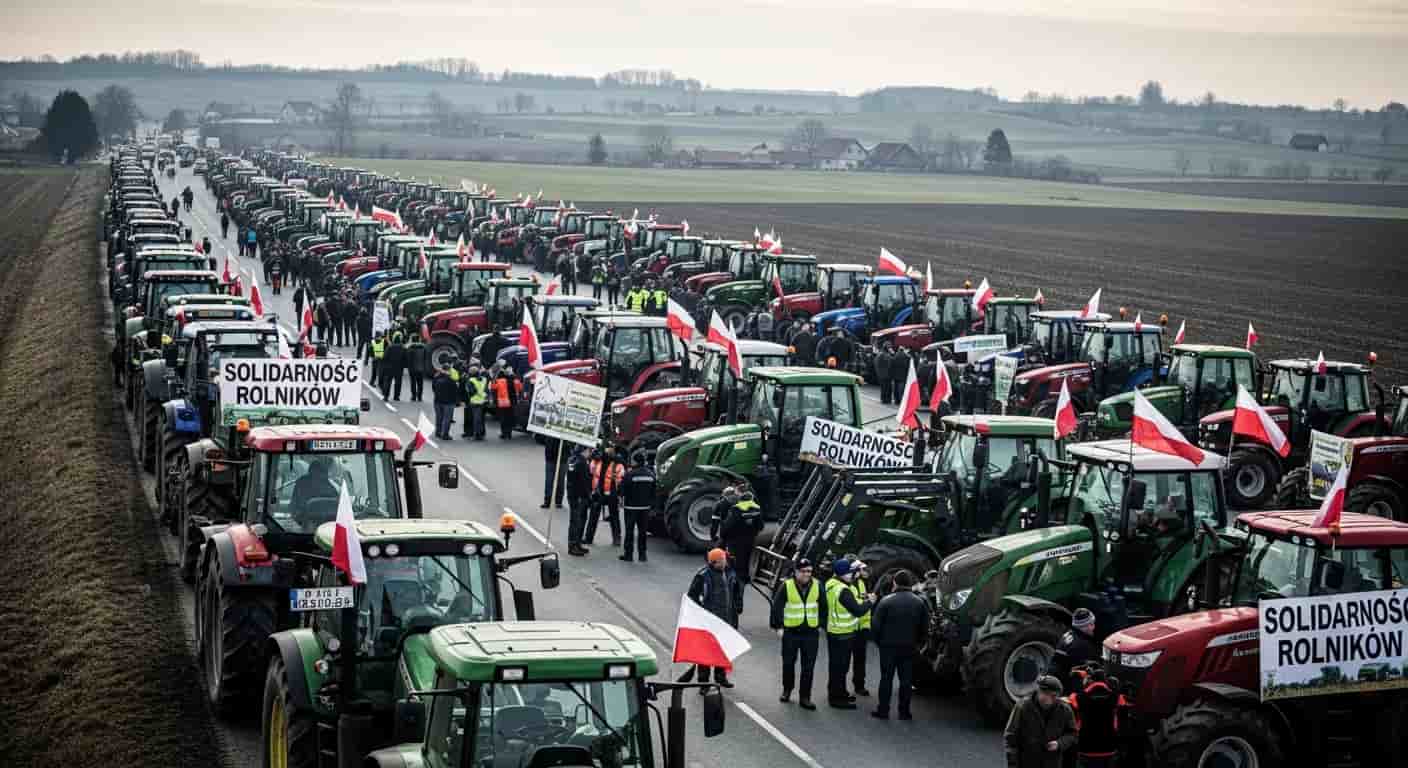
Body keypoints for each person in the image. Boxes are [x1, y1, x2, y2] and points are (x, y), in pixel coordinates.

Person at [869, 570, 930, 720]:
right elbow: (925, 628)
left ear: (895, 583)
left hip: (888, 646)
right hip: (909, 647)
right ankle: (904, 712)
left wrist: (880, 643)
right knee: (906, 681)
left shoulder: (886, 601)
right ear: (910, 584)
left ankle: (883, 710)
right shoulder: (919, 602)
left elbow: (875, 626)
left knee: (886, 679)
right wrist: (918, 644)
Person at [770, 558, 825, 710]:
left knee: (808, 667)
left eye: (809, 571)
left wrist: (820, 624)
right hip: (791, 632)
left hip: (810, 633)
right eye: (803, 571)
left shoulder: (817, 585)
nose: (807, 574)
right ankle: (787, 690)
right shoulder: (786, 586)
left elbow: (824, 607)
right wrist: (778, 627)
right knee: (788, 663)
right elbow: (777, 607)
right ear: (796, 572)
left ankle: (805, 697)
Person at [685, 549, 743, 686]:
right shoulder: (703, 576)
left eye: (724, 559)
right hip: (709, 621)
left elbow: (736, 592)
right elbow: (692, 596)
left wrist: (738, 606)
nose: (724, 563)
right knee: (705, 652)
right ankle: (703, 682)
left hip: (726, 619)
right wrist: (701, 612)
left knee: (722, 650)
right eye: (721, 561)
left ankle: (720, 676)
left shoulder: (730, 573)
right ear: (713, 562)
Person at [825, 558, 873, 709]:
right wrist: (870, 601)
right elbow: (858, 611)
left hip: (834, 630)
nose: (852, 576)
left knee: (836, 666)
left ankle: (839, 693)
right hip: (843, 633)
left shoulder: (830, 584)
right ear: (843, 574)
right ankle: (837, 699)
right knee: (840, 667)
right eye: (850, 573)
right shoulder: (843, 590)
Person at [1004, 675, 1077, 768]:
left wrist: (1059, 743)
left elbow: (1073, 733)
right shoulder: (1023, 707)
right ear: (1038, 691)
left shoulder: (1064, 710)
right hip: (1027, 762)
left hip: (1052, 763)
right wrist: (1013, 764)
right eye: (1043, 693)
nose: (1046, 697)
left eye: (1052, 695)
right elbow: (1011, 737)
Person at [1066, 666, 1125, 768]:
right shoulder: (1117, 697)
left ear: (1091, 680)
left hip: (1085, 747)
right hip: (1109, 747)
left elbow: (1069, 703)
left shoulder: (1077, 697)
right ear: (1106, 681)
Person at [717, 490, 764, 580]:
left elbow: (728, 526)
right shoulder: (757, 510)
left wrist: (723, 536)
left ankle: (734, 579)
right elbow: (761, 526)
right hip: (750, 539)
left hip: (735, 541)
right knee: (746, 559)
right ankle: (745, 577)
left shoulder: (736, 510)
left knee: (734, 561)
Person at [619, 451, 656, 562]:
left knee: (629, 532)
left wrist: (621, 499)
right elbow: (654, 492)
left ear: (635, 461)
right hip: (645, 509)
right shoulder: (651, 474)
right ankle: (642, 555)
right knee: (642, 532)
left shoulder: (630, 474)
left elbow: (622, 490)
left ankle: (628, 555)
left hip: (631, 508)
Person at [1052, 608, 1097, 693]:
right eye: (1091, 624)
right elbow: (1082, 674)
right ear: (1084, 626)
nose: (1093, 627)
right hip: (1065, 686)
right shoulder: (1083, 645)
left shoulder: (1068, 634)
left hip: (1055, 677)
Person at [585, 447, 623, 546]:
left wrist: (619, 494)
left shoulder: (617, 464)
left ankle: (616, 538)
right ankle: (589, 537)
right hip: (599, 493)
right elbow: (591, 470)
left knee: (613, 517)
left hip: (611, 494)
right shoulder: (598, 462)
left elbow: (620, 480)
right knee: (594, 516)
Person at [849, 560, 873, 698]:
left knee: (860, 659)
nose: (867, 572)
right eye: (863, 569)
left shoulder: (863, 583)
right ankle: (840, 689)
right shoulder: (850, 587)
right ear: (856, 572)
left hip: (862, 629)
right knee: (845, 660)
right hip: (850, 628)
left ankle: (859, 685)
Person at [566, 447, 593, 556]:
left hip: (572, 493)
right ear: (584, 450)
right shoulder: (582, 462)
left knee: (576, 520)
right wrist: (588, 495)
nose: (590, 453)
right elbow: (584, 481)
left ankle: (576, 544)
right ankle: (573, 546)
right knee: (576, 521)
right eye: (589, 451)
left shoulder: (572, 459)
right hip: (578, 496)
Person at [431, 363, 460, 440]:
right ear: (448, 371)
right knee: (447, 419)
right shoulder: (451, 381)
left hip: (437, 401)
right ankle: (445, 434)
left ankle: (438, 432)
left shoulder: (436, 379)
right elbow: (455, 392)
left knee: (439, 417)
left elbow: (433, 389)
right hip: (448, 403)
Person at [541, 435, 568, 509]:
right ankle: (547, 501)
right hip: (551, 456)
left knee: (560, 480)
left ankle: (558, 501)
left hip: (563, 457)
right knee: (549, 480)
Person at [493, 367, 519, 439]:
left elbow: (493, 387)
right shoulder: (515, 380)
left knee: (503, 418)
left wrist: (496, 376)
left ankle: (504, 433)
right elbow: (520, 388)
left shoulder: (500, 381)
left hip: (503, 403)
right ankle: (509, 433)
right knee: (509, 418)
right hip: (512, 402)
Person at [464, 363, 488, 440]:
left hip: (475, 402)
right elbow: (486, 390)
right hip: (483, 401)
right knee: (481, 419)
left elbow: (471, 392)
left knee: (476, 419)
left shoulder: (470, 380)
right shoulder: (484, 379)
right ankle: (481, 433)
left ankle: (477, 435)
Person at [380, 332, 407, 401]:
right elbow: (405, 358)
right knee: (398, 383)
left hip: (389, 367)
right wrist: (404, 366)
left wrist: (384, 365)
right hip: (399, 368)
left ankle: (386, 396)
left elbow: (384, 357)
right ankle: (396, 396)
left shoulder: (390, 347)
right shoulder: (403, 348)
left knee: (388, 382)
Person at [406, 334, 428, 402]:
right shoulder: (424, 348)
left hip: (412, 368)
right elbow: (425, 358)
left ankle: (413, 396)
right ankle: (420, 397)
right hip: (421, 368)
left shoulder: (410, 348)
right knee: (420, 383)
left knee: (413, 383)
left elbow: (408, 359)